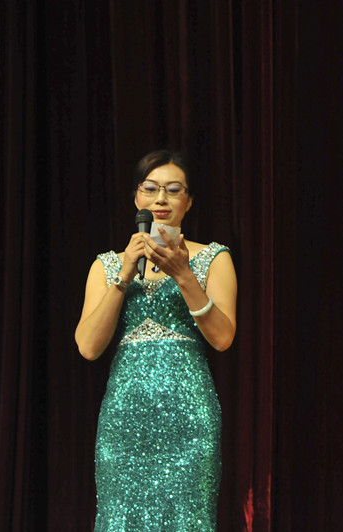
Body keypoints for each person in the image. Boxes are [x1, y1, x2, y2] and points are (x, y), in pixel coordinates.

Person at [75, 150, 237, 530]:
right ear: (137, 198)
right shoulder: (106, 265)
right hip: (123, 423)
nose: (160, 198)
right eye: (150, 188)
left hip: (189, 421)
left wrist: (183, 275)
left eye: (173, 189)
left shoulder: (213, 258)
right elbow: (88, 346)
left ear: (188, 201)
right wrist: (123, 275)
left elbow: (223, 338)